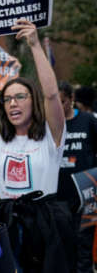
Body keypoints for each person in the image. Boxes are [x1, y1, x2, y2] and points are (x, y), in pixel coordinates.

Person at [0, 20, 75, 273]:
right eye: (7, 99)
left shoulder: (51, 136)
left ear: (33, 100)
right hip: (8, 220)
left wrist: (34, 44)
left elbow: (52, 95)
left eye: (20, 96)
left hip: (46, 223)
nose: (12, 103)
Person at [58, 80, 97, 273]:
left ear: (71, 100)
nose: (58, 106)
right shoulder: (50, 126)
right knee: (63, 246)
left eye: (62, 101)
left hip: (86, 195)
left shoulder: (88, 120)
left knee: (84, 246)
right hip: (59, 198)